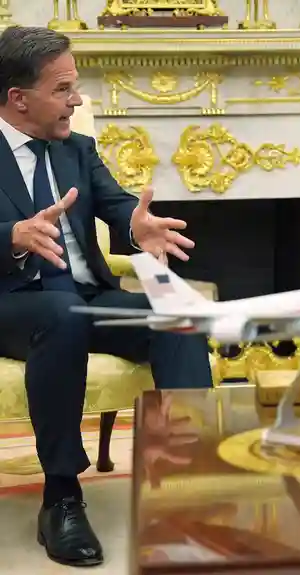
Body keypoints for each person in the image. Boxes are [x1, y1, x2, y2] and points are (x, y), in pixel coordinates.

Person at [0, 26, 213, 566]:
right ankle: (62, 497)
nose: (76, 100)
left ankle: (189, 484)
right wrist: (12, 237)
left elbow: (118, 206)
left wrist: (137, 229)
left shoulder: (77, 148)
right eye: (62, 89)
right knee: (60, 312)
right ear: (18, 98)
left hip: (83, 297)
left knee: (176, 311)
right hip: (13, 303)